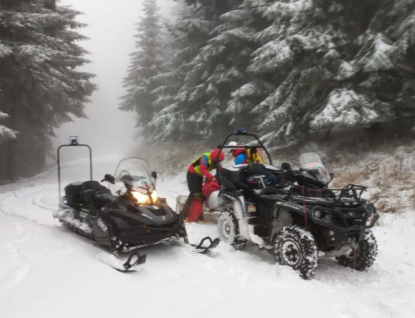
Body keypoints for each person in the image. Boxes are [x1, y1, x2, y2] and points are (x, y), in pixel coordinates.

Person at [182, 148, 224, 222]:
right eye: (217, 160)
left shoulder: (216, 161)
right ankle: (184, 215)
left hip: (199, 175)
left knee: (200, 194)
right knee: (194, 193)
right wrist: (211, 177)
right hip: (192, 174)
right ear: (214, 157)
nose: (218, 162)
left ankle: (198, 215)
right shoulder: (205, 157)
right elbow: (202, 169)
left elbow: (220, 170)